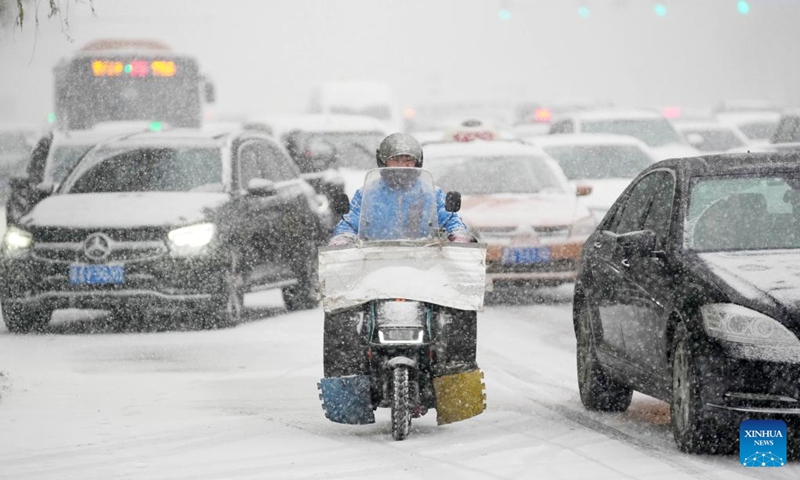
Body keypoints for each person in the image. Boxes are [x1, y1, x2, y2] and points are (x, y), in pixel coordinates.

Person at [329, 132, 471, 245]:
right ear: (383, 162)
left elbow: (451, 220)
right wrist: (343, 238)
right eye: (396, 160)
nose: (402, 165)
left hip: (424, 260)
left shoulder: (431, 193)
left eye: (408, 160)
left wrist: (458, 235)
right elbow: (349, 223)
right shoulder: (367, 194)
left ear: (417, 163)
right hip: (374, 260)